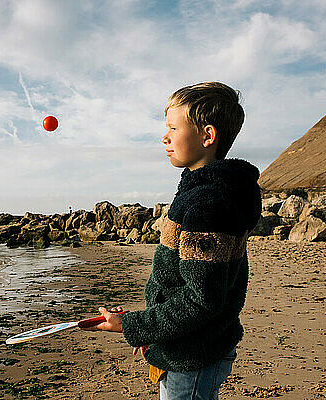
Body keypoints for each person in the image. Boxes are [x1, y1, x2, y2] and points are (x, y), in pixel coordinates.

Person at [82, 82, 262, 399]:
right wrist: (149, 329)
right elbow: (183, 287)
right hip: (184, 343)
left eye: (173, 127)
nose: (165, 137)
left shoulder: (208, 205)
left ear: (207, 136)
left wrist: (131, 326)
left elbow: (201, 300)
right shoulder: (201, 191)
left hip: (193, 355)